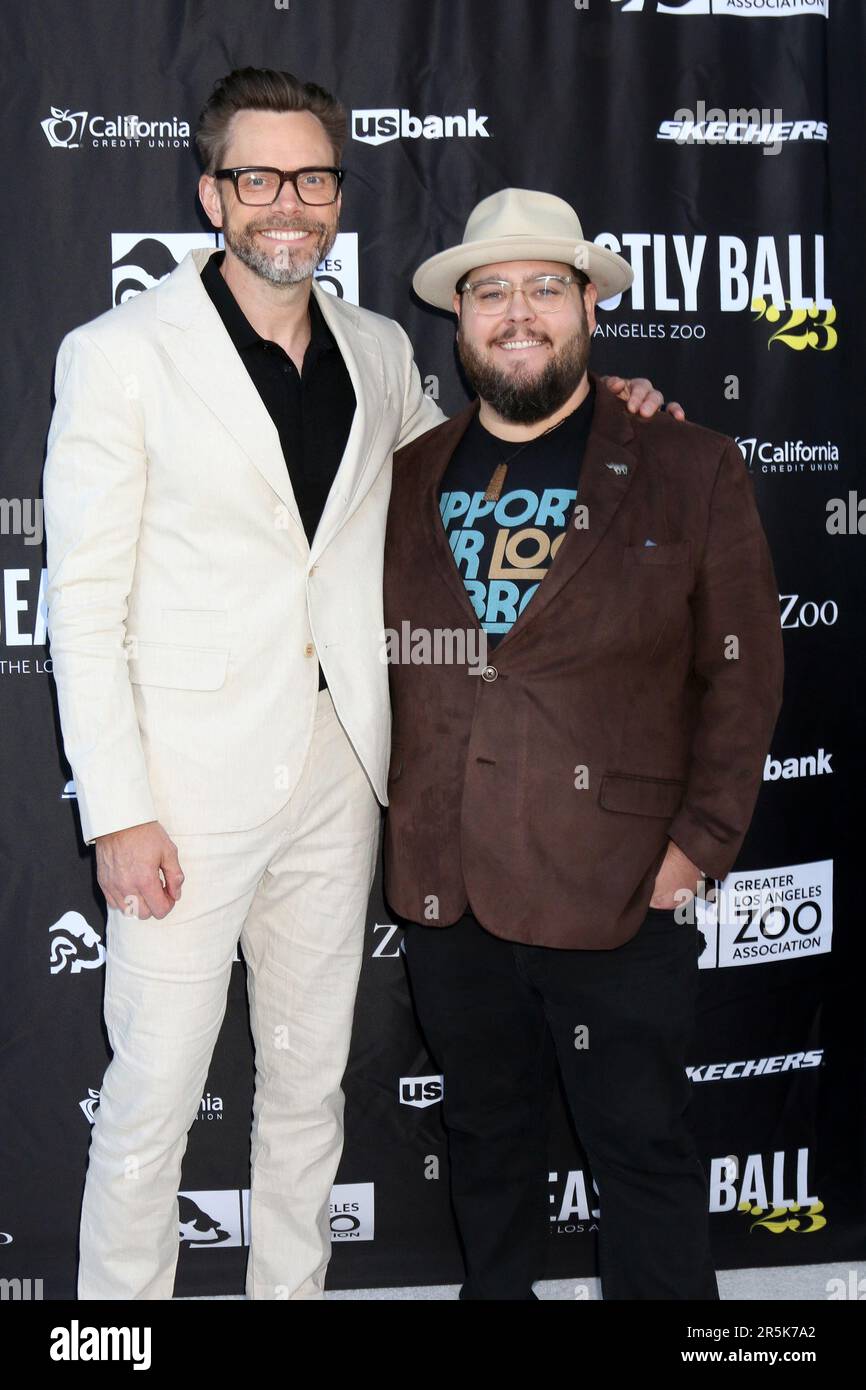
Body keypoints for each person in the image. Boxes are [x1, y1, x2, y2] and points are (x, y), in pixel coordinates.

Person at [43, 67, 673, 1302]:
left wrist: (603, 406)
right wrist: (117, 810)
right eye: (258, 177)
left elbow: (477, 460)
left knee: (306, 1087)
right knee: (150, 1103)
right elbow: (82, 604)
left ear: (338, 194)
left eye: (312, 177)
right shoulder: (119, 355)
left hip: (342, 779)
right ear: (212, 194)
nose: (287, 203)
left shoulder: (377, 349)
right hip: (183, 791)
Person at [382, 187, 785, 1300]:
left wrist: (698, 847)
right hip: (451, 888)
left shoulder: (689, 463)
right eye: (492, 291)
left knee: (641, 1153)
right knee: (485, 1144)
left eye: (544, 289)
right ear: (459, 319)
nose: (518, 312)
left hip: (621, 884)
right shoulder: (405, 474)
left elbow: (744, 675)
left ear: (589, 309)